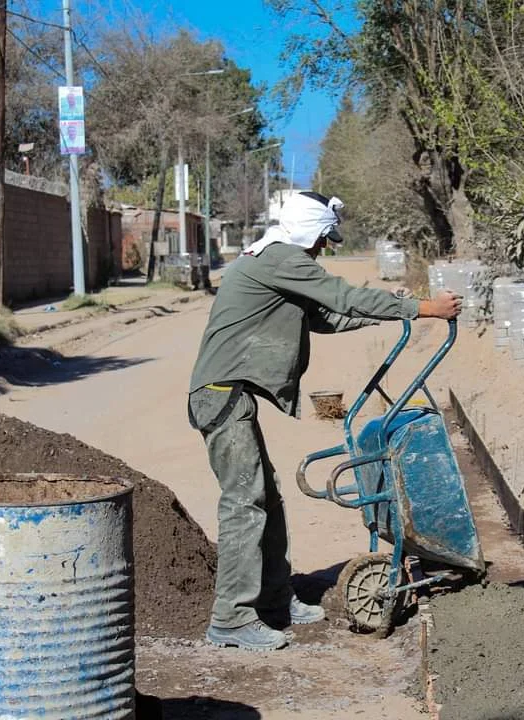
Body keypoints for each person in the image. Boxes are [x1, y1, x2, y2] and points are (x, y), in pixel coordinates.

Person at [188, 191, 462, 651]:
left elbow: (327, 315)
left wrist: (393, 313)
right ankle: (231, 619)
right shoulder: (281, 258)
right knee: (245, 501)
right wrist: (423, 308)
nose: (323, 248)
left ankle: (275, 599)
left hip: (229, 393)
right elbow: (341, 296)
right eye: (321, 239)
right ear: (307, 232)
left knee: (266, 497)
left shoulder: (274, 258)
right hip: (220, 394)